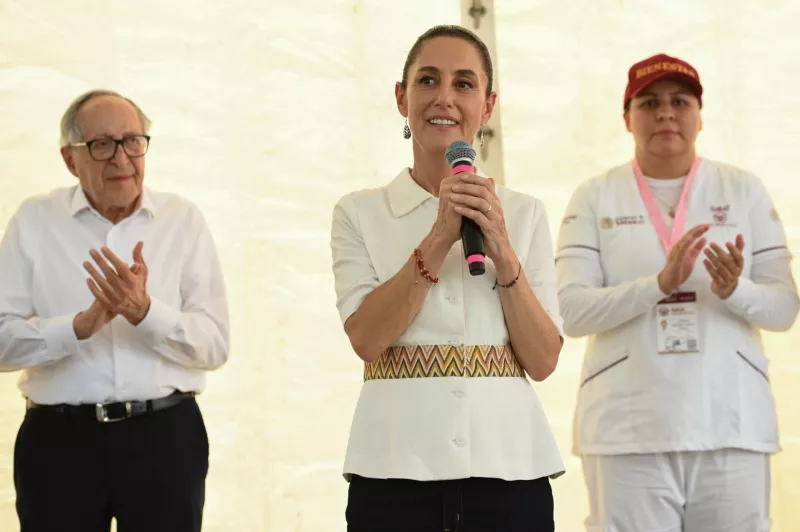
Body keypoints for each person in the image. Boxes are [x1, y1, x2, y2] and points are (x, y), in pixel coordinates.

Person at [330, 25, 564, 532]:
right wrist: (438, 238)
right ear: (402, 98)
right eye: (428, 80)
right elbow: (367, 339)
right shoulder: (360, 212)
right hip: (393, 472)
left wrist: (501, 247)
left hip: (511, 471)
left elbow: (544, 359)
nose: (444, 98)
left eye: (464, 84)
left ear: (488, 104)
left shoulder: (524, 214)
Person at [556, 53, 799, 531]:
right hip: (626, 434)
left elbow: (784, 307)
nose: (665, 112)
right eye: (649, 102)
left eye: (679, 100)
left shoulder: (743, 189)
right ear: (627, 118)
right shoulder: (594, 195)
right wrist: (658, 285)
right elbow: (570, 311)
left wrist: (735, 290)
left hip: (731, 426)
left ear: (700, 115)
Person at [0, 89, 230, 532]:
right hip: (58, 443)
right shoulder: (34, 220)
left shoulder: (182, 219)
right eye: (102, 145)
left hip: (164, 437)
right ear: (70, 159)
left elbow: (215, 345)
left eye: (133, 141)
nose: (121, 158)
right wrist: (77, 328)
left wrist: (145, 312)